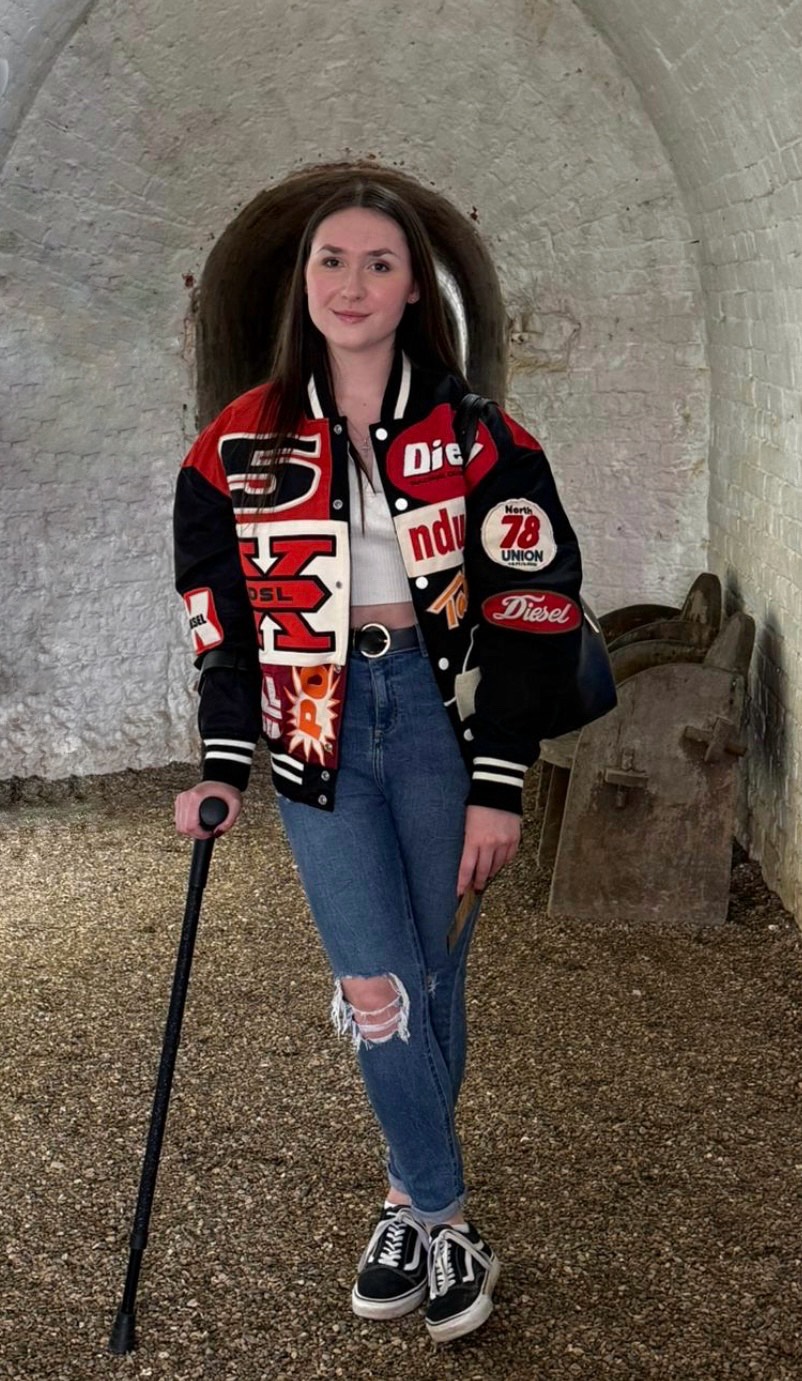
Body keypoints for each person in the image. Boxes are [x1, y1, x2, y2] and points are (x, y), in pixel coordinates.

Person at [173, 178, 583, 1343]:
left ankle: (406, 1204)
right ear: (304, 284)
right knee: (377, 982)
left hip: (442, 718)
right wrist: (220, 762)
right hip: (316, 725)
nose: (352, 285)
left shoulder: (482, 436)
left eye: (379, 265)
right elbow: (215, 611)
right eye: (331, 263)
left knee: (435, 972)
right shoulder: (235, 443)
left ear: (416, 290)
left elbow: (536, 605)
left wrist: (501, 778)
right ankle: (448, 1214)